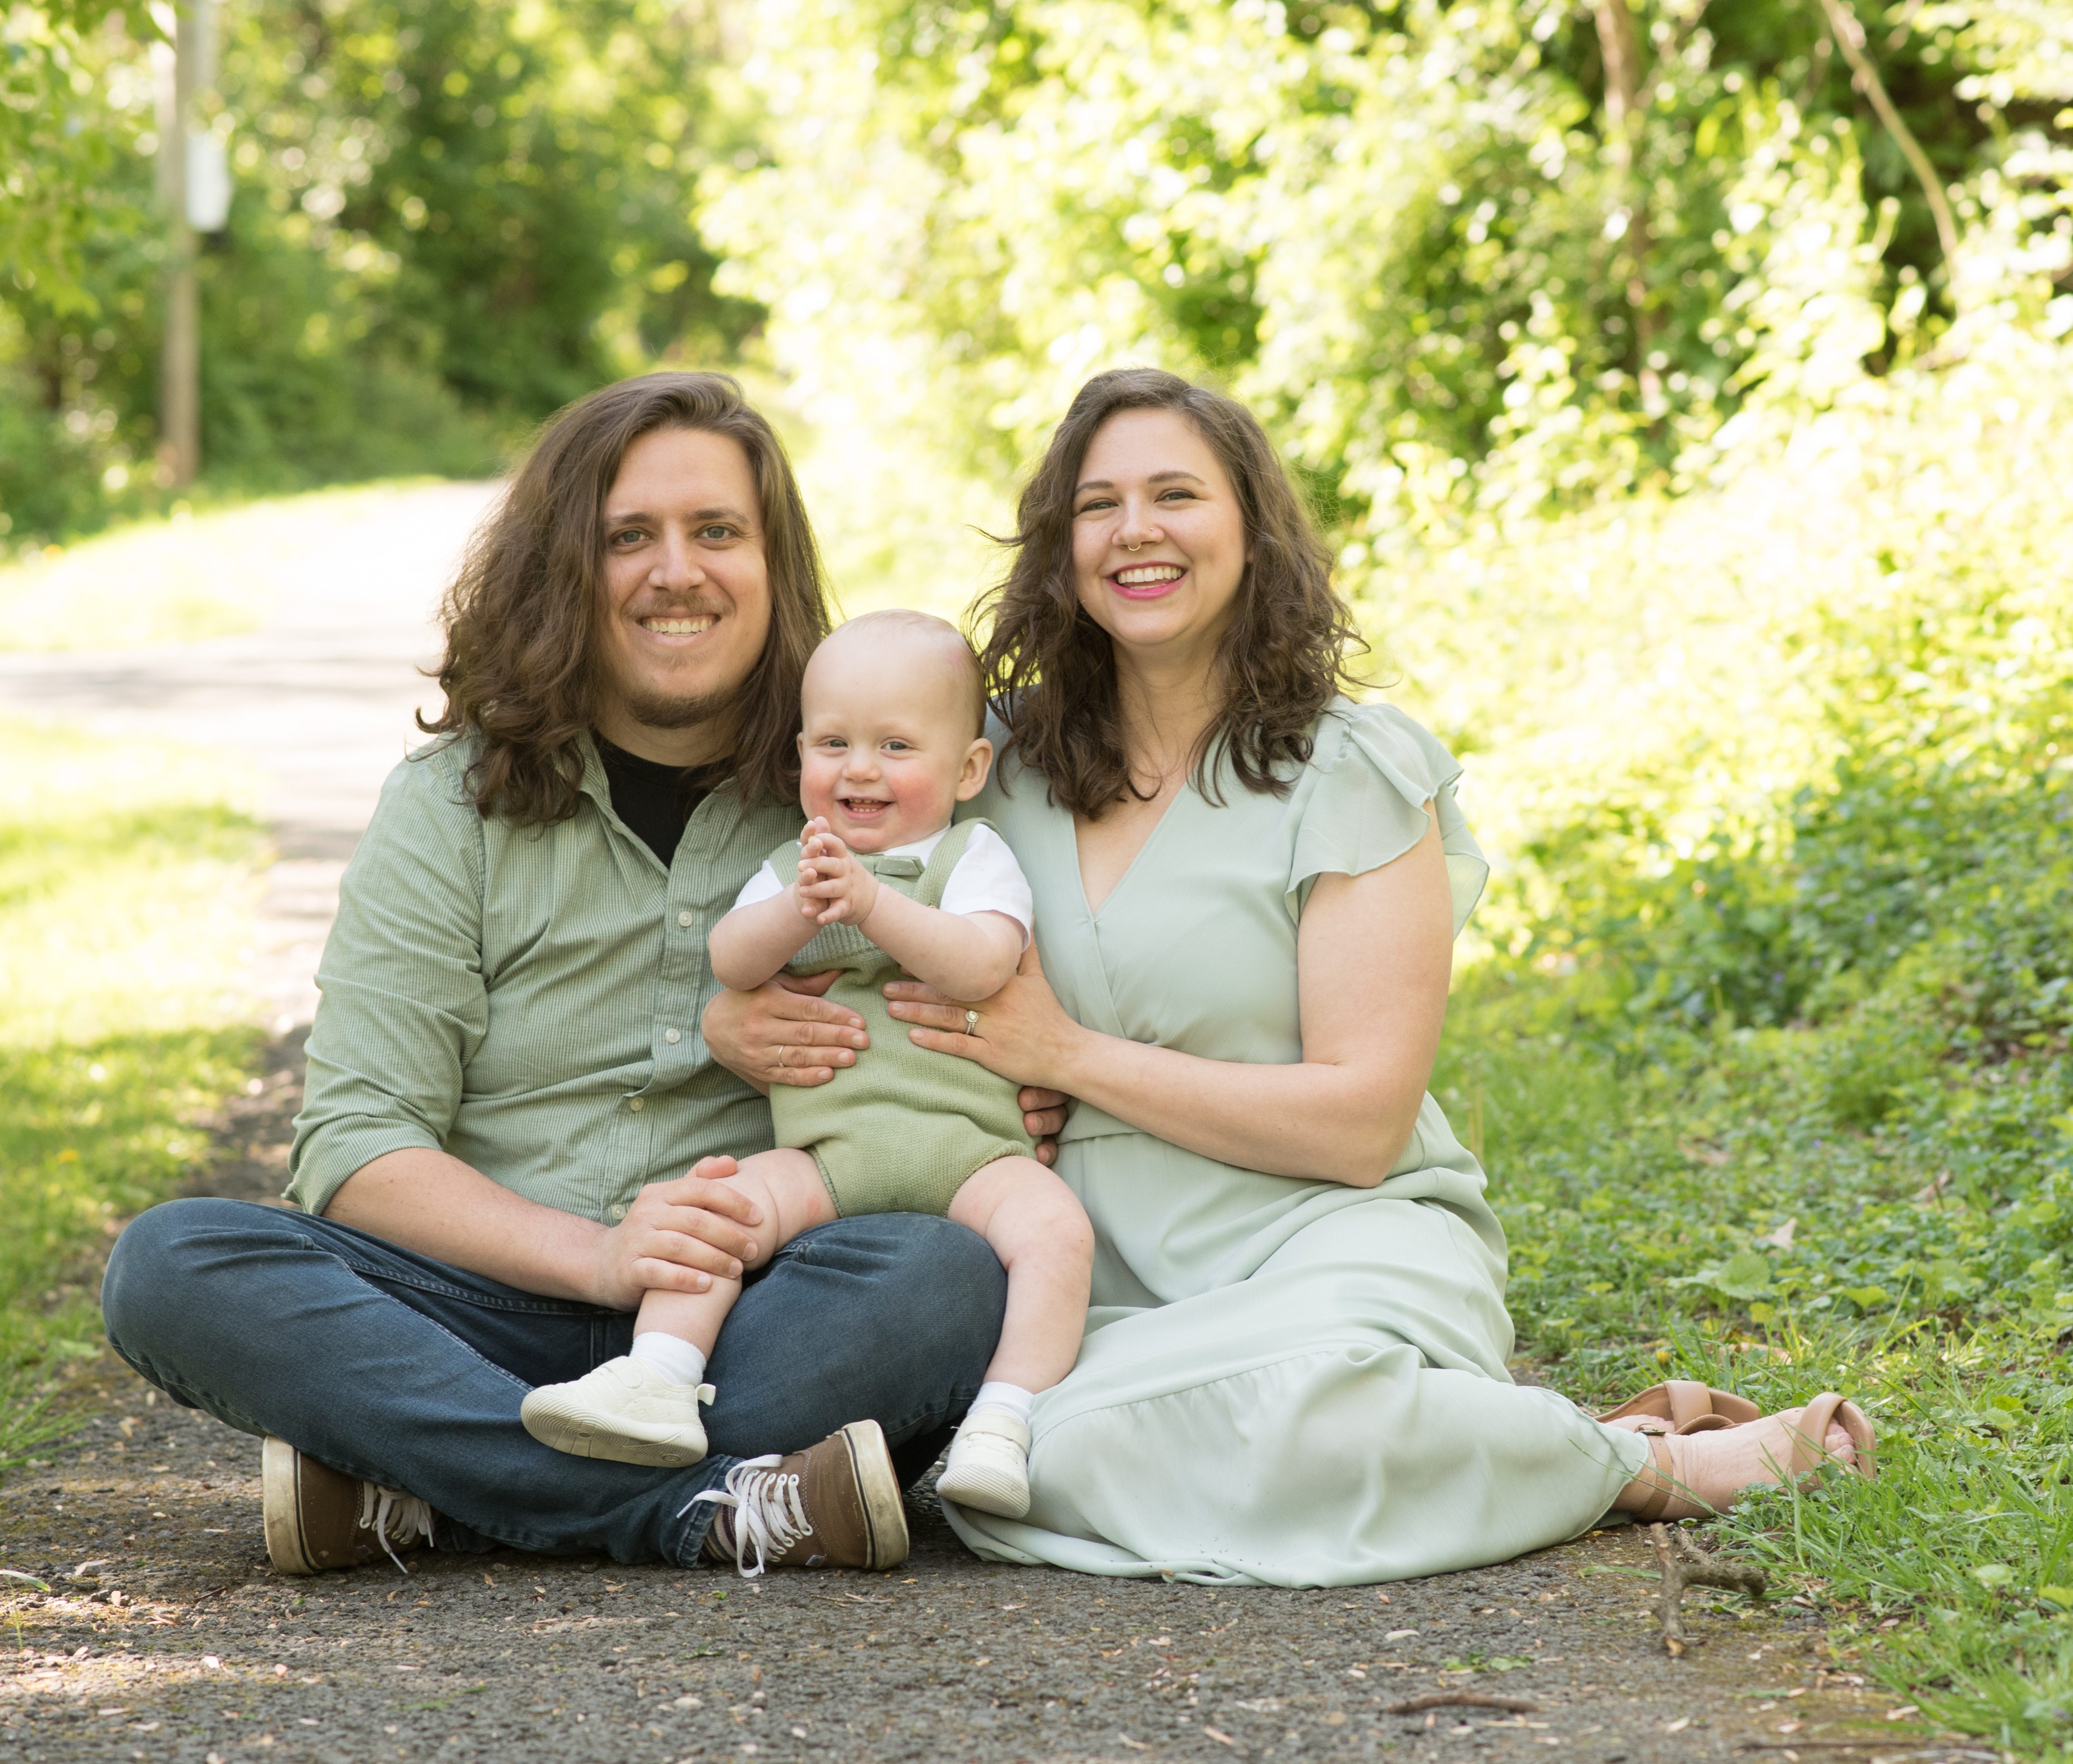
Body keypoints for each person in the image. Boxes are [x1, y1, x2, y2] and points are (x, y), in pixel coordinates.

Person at [705, 366, 1873, 1585]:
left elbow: (1362, 1123)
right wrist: (741, 1020)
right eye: (1098, 505)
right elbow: (817, 897)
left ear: (1252, 532)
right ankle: (1547, 1443)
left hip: (1331, 1230)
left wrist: (1066, 1058)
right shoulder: (989, 766)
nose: (1136, 531)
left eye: (1176, 495)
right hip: (1091, 1264)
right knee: (1042, 1446)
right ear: (1060, 550)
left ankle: (1633, 1461)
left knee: (1313, 1398)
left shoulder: (1348, 767)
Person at [99, 372, 1068, 1578]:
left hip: (749, 1308)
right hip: (469, 1304)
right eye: (630, 537)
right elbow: (356, 1149)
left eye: (717, 532)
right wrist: (603, 1258)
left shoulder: (868, 776)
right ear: (567, 566)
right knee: (176, 1263)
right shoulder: (452, 805)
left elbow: (1046, 938)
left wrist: (1032, 1076)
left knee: (941, 1277)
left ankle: (430, 1483)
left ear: (774, 567)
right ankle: (698, 1506)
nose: (678, 570)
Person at [519, 611, 1094, 1528]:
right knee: (713, 1209)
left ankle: (1004, 1419)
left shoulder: (967, 857)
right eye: (833, 744)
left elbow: (982, 963)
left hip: (976, 1156)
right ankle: (658, 1379)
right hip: (828, 1153)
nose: (859, 768)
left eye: (895, 745)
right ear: (800, 760)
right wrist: (799, 908)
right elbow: (733, 958)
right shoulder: (793, 865)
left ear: (968, 769)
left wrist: (869, 904)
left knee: (1057, 1235)